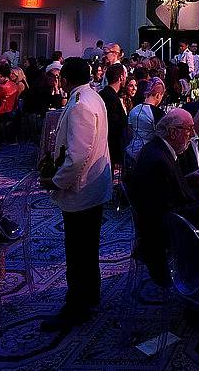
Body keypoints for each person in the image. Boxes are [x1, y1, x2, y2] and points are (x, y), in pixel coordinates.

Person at [39, 57, 112, 332]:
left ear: (65, 79)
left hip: (82, 189)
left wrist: (56, 182)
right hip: (92, 185)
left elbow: (78, 156)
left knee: (79, 251)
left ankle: (77, 306)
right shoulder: (93, 96)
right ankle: (90, 295)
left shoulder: (81, 104)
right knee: (87, 247)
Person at [127, 108, 199, 285]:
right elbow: (167, 216)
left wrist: (187, 179)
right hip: (165, 237)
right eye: (189, 129)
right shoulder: (159, 161)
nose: (192, 134)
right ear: (173, 132)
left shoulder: (157, 148)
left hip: (155, 227)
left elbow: (163, 192)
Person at [125, 77, 166, 164]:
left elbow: (129, 133)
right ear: (158, 95)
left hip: (130, 153)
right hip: (147, 156)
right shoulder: (158, 114)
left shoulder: (134, 110)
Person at [99, 63, 128, 166]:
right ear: (121, 77)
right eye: (125, 75)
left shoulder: (104, 94)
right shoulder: (111, 98)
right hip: (110, 149)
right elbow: (114, 126)